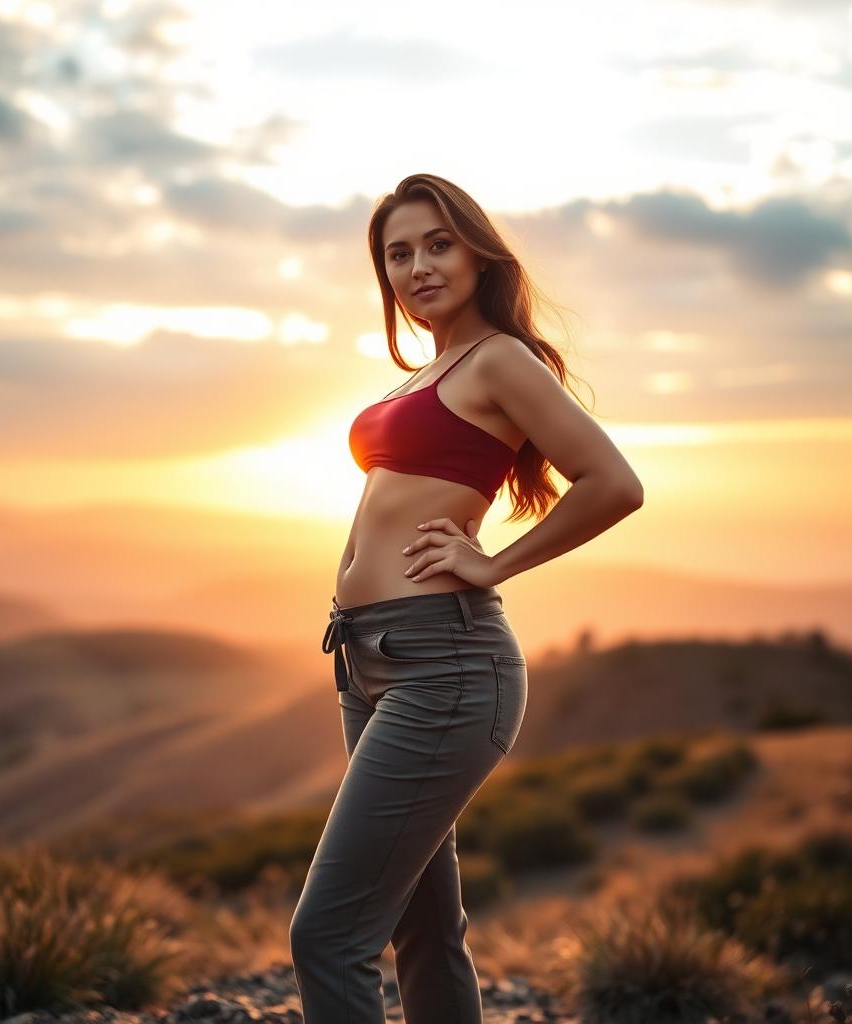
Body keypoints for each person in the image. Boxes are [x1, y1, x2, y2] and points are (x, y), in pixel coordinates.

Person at [288, 173, 644, 1023]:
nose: (417, 268)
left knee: (326, 936)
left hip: (444, 666)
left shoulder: (500, 360)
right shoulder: (425, 372)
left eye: (437, 244)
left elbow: (614, 484)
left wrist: (496, 563)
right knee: (422, 928)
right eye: (397, 254)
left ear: (480, 253)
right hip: (369, 663)